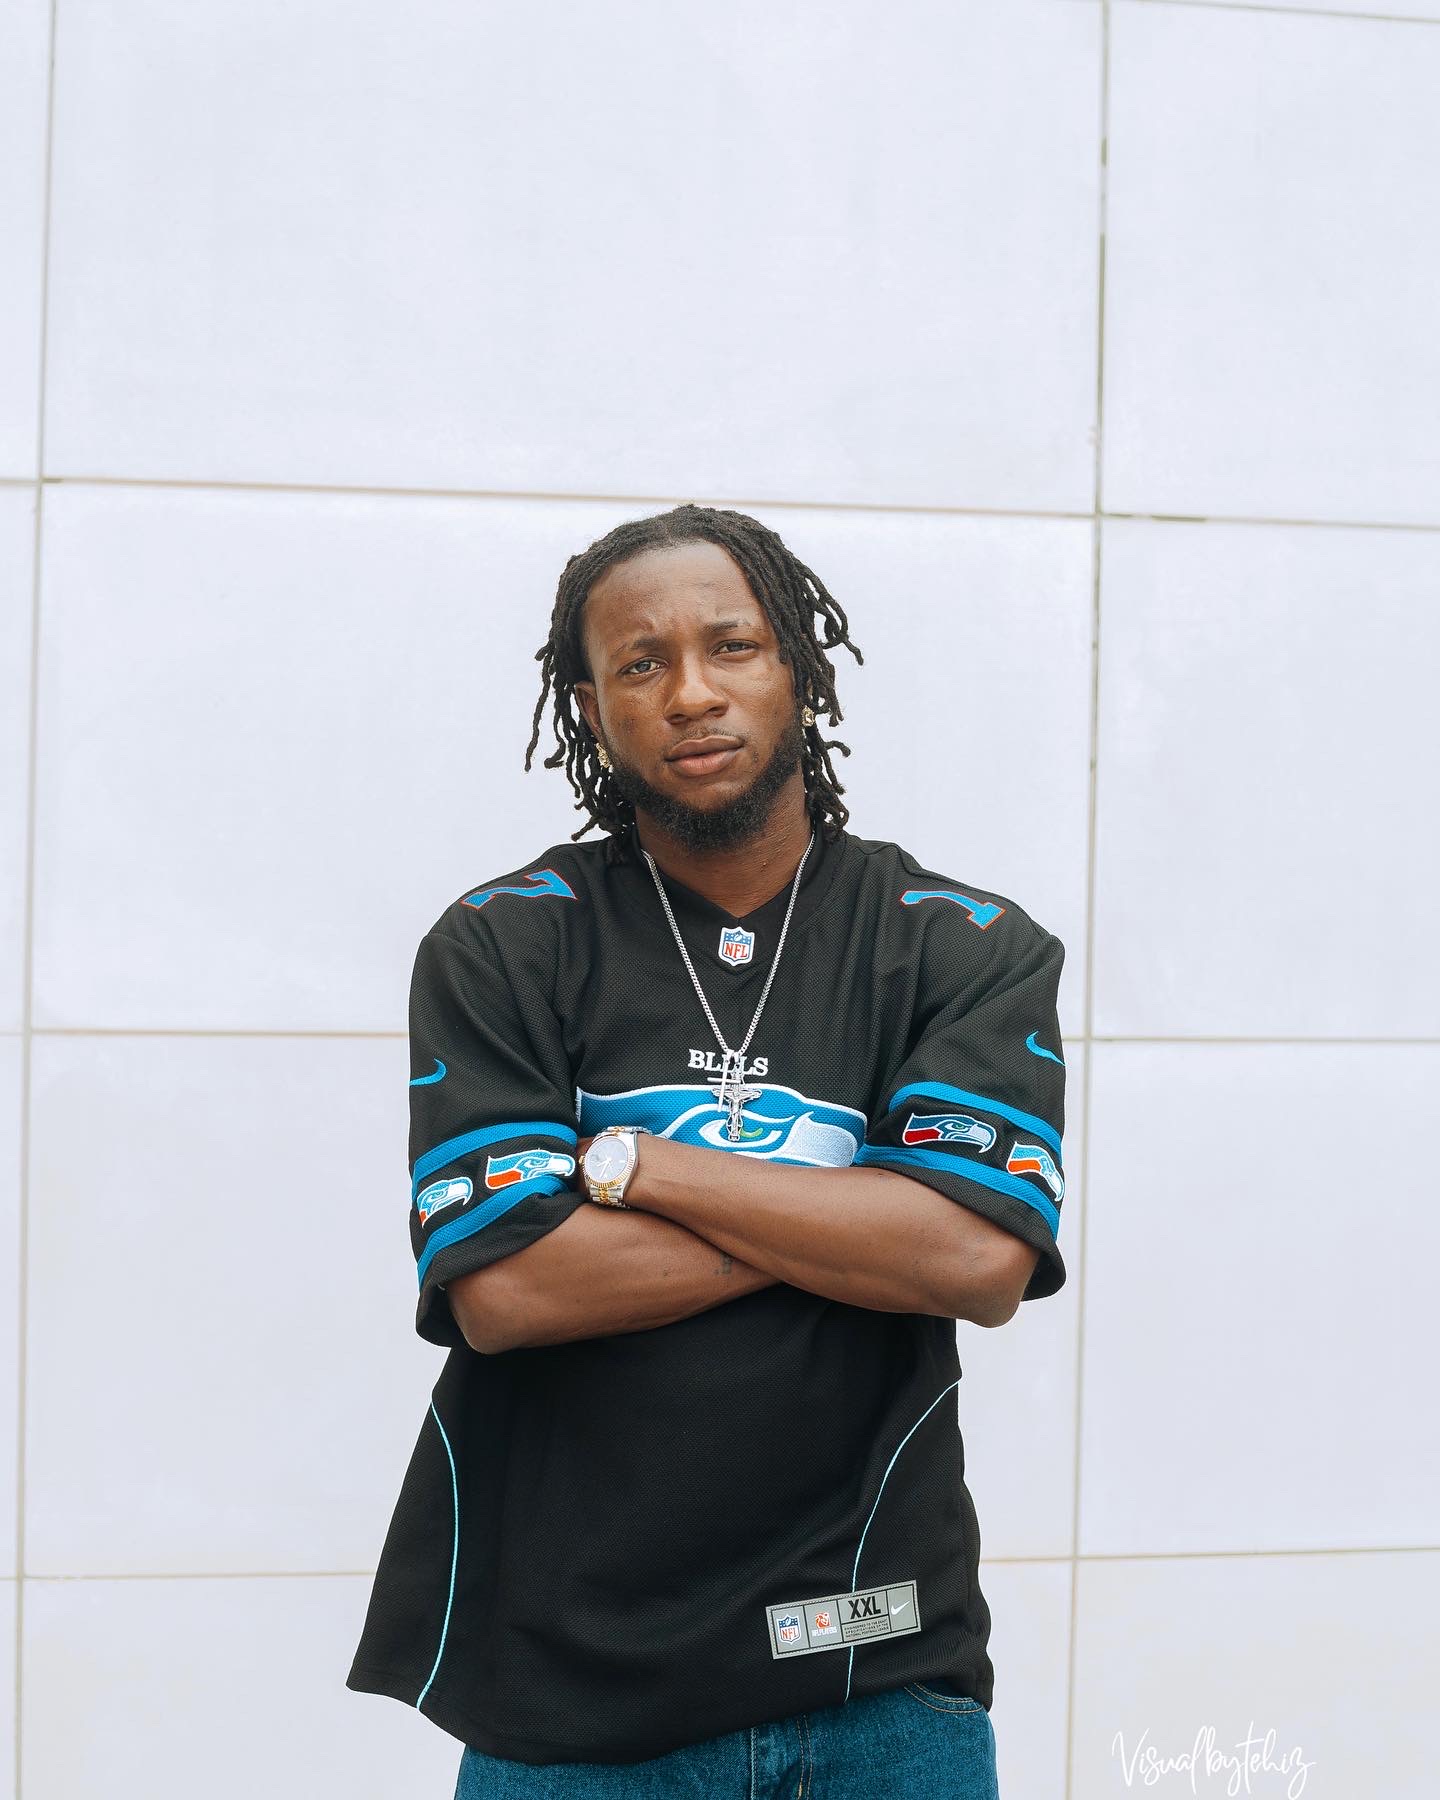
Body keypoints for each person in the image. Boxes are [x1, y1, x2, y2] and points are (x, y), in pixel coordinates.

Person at [346, 503, 1068, 1798]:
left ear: (798, 666)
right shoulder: (507, 944)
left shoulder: (956, 943)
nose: (691, 691)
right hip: (571, 1698)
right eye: (642, 662)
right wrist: (861, 1209)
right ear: (589, 707)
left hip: (877, 1674)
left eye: (731, 645)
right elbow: (508, 1289)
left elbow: (975, 1261)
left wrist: (642, 1168)